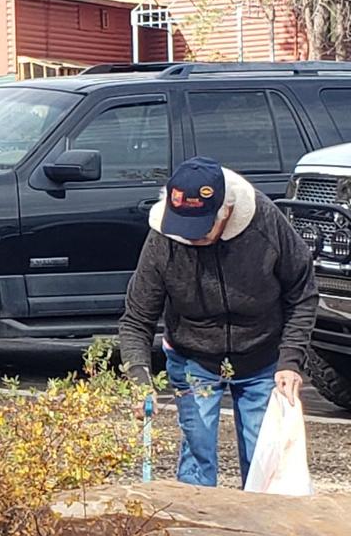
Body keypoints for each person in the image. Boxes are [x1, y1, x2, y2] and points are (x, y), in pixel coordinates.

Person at [119, 156, 318, 487]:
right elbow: (137, 318)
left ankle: (258, 534)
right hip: (193, 356)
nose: (190, 238)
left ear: (226, 211)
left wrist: (290, 361)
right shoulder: (163, 239)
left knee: (264, 464)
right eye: (183, 226)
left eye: (201, 228)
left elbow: (302, 291)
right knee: (197, 461)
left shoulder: (264, 222)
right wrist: (139, 378)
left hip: (262, 355)